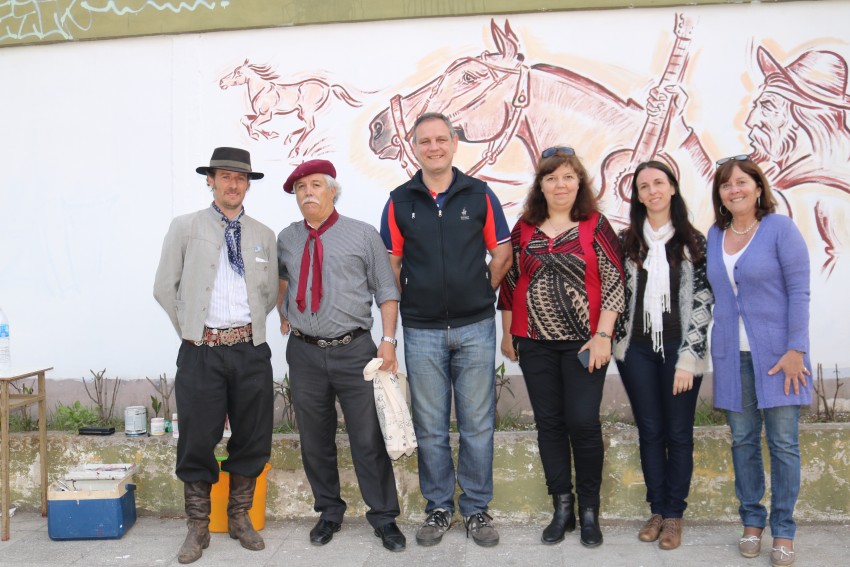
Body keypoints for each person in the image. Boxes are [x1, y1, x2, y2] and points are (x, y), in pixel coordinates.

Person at [380, 112, 512, 548]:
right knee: (431, 428)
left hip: (475, 328)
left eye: (441, 139)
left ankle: (476, 510)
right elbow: (392, 270)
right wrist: (392, 335)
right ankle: (438, 508)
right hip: (421, 332)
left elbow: (502, 254)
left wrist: (480, 290)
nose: (433, 147)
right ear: (413, 146)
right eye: (425, 141)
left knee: (477, 425)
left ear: (455, 143)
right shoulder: (399, 201)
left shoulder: (480, 194)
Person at [153, 147, 278, 564]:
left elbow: (268, 293)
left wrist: (248, 327)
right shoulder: (185, 227)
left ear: (247, 185)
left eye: (240, 178)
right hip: (200, 352)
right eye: (224, 176)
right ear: (210, 180)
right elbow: (164, 288)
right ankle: (197, 526)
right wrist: (193, 330)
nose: (232, 184)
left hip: (250, 350)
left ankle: (240, 517)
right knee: (197, 438)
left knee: (253, 434)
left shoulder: (263, 234)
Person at [498, 147, 625, 548]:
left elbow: (614, 283)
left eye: (568, 177)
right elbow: (510, 283)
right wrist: (507, 334)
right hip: (533, 343)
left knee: (583, 423)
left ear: (579, 183)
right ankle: (563, 507)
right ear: (541, 185)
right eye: (551, 178)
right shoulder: (524, 228)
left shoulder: (595, 225)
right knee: (549, 425)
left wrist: (603, 335)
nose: (560, 184)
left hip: (586, 344)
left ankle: (590, 509)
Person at [277, 159, 406, 552]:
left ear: (333, 191)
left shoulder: (363, 234)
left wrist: (388, 341)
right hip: (304, 353)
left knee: (367, 437)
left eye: (315, 185)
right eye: (300, 188)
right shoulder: (287, 237)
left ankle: (384, 518)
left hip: (355, 351)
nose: (307, 193)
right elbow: (283, 279)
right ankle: (329, 511)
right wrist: (284, 313)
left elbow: (386, 289)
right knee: (315, 439)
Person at [707, 155, 812, 567]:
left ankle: (784, 530)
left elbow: (800, 291)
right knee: (744, 442)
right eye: (726, 185)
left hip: (780, 357)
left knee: (784, 444)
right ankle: (752, 521)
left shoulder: (780, 229)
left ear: (757, 186)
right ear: (720, 194)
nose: (734, 190)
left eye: (741, 182)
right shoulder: (715, 235)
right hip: (733, 357)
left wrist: (796, 350)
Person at [612, 161, 713, 550]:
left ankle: (674, 515)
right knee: (650, 430)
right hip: (636, 351)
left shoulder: (694, 242)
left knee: (679, 433)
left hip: (678, 350)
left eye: (659, 183)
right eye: (643, 186)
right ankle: (656, 510)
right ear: (637, 196)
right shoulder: (627, 241)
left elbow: (704, 303)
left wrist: (689, 358)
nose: (652, 190)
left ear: (672, 188)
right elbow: (615, 295)